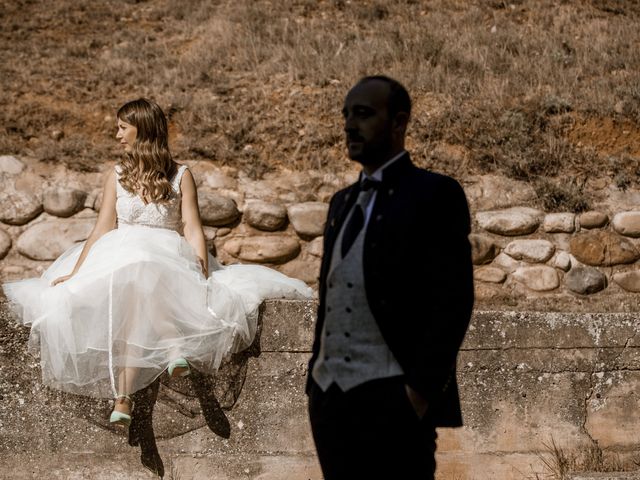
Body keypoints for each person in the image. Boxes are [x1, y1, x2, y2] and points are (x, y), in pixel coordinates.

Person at [3, 98, 313, 435]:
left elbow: (192, 228)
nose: (117, 133)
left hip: (169, 257)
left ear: (143, 129)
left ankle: (124, 397)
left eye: (123, 127)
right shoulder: (117, 175)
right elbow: (103, 228)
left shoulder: (181, 175)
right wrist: (77, 272)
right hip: (121, 256)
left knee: (144, 276)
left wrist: (201, 273)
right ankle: (173, 348)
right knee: (136, 277)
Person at [306, 76, 474, 479]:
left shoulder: (435, 193)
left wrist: (416, 394)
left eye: (363, 114)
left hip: (393, 400)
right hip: (329, 397)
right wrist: (315, 382)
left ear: (398, 123)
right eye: (346, 114)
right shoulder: (341, 202)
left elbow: (453, 300)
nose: (349, 125)